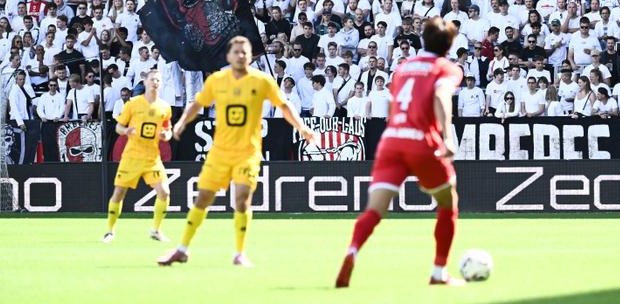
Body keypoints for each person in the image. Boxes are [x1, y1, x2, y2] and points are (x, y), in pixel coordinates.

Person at [158, 36, 316, 266]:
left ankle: (239, 253)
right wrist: (182, 122)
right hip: (219, 152)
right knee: (203, 198)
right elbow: (198, 103)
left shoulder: (262, 81)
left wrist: (302, 127)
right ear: (229, 56)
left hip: (247, 152)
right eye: (237, 52)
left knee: (242, 199)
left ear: (250, 56)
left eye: (245, 52)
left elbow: (283, 104)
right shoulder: (217, 80)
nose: (241, 55)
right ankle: (182, 249)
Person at [336, 17, 464, 287]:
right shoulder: (447, 68)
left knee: (374, 210)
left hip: (391, 140)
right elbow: (441, 98)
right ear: (449, 44)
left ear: (423, 39)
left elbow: (395, 102)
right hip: (421, 141)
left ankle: (352, 250)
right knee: (447, 202)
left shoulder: (405, 67)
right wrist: (448, 138)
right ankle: (439, 271)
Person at [104, 70, 172, 243]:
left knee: (164, 192)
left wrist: (167, 135)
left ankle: (156, 230)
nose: (155, 82)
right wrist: (126, 131)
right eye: (152, 79)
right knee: (118, 193)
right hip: (132, 156)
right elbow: (118, 127)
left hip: (152, 158)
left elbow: (167, 129)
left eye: (158, 80)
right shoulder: (133, 103)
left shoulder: (165, 107)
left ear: (161, 83)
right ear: (145, 82)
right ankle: (110, 231)